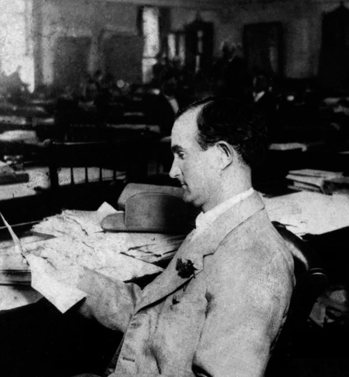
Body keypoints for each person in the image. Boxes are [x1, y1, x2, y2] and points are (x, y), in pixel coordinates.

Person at [48, 97, 295, 376]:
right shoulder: (217, 224)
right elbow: (158, 313)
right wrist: (72, 277)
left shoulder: (251, 261)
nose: (172, 171)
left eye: (182, 155)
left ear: (222, 156)